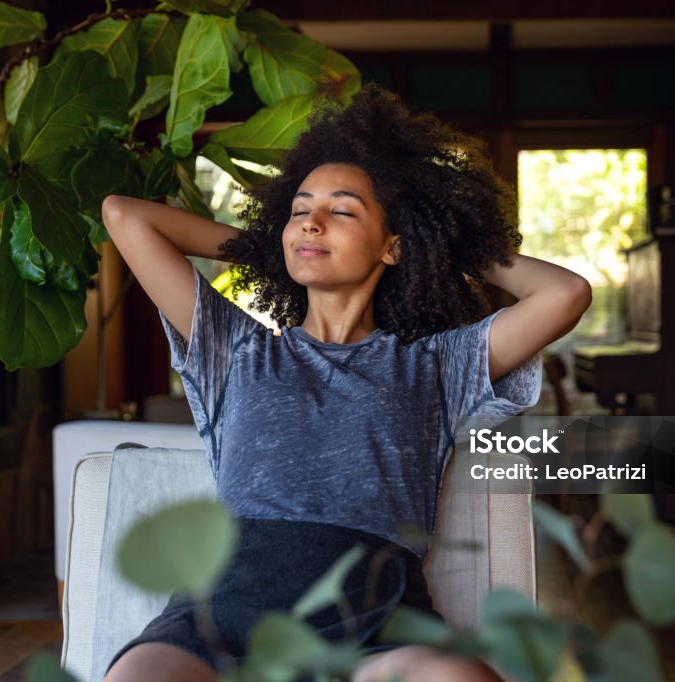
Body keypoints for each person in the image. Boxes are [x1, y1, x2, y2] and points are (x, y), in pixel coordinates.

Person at [100, 84, 591, 682]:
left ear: (392, 246)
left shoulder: (438, 365)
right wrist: (270, 247)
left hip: (373, 625)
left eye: (342, 211)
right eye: (299, 209)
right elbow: (124, 215)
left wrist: (442, 244)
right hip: (220, 616)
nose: (311, 222)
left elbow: (565, 294)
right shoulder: (236, 350)